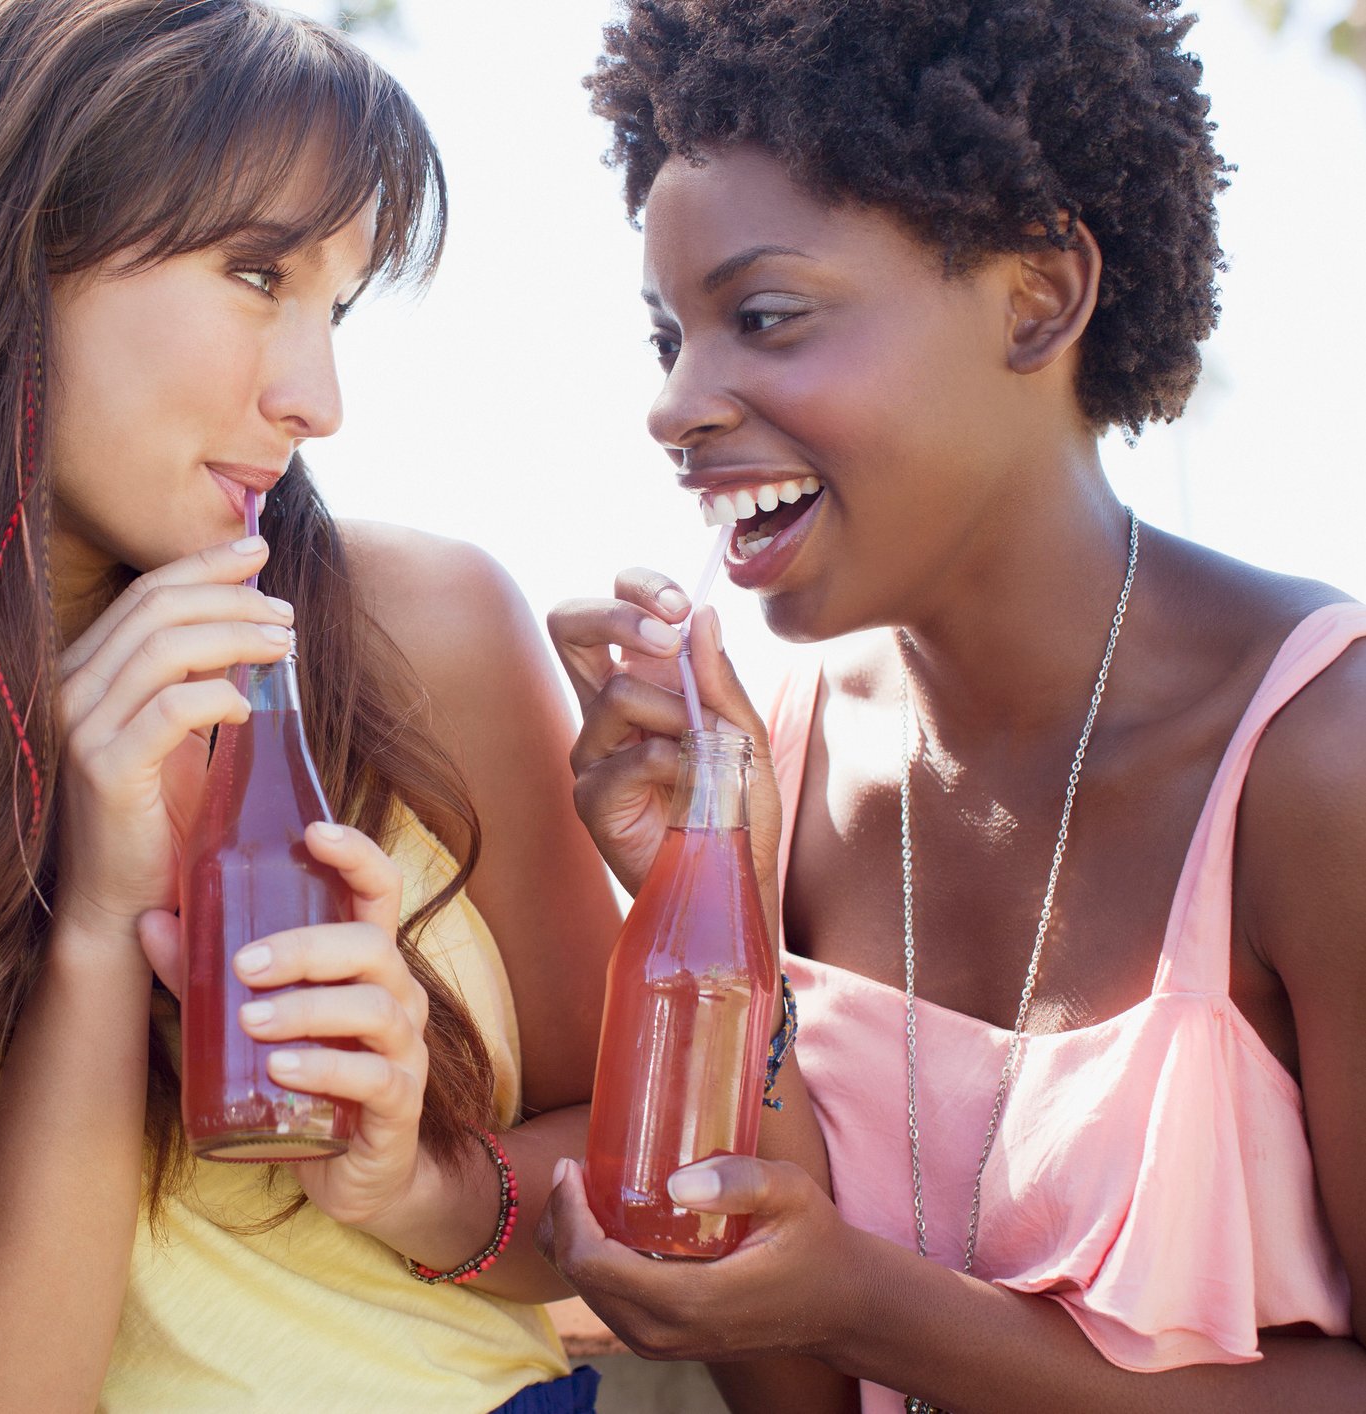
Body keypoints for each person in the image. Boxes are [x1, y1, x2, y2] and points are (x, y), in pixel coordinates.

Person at [0, 1, 792, 1408]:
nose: (317, 397)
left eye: (333, 307)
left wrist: (410, 1178)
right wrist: (98, 931)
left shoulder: (419, 631)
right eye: (255, 273)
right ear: (8, 257)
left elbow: (628, 1189)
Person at [538, 1, 1365, 1409]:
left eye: (762, 317)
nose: (675, 405)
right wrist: (709, 904)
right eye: (670, 336)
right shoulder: (773, 770)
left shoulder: (1317, 756)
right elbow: (795, 1394)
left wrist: (871, 1305)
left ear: (1036, 296)